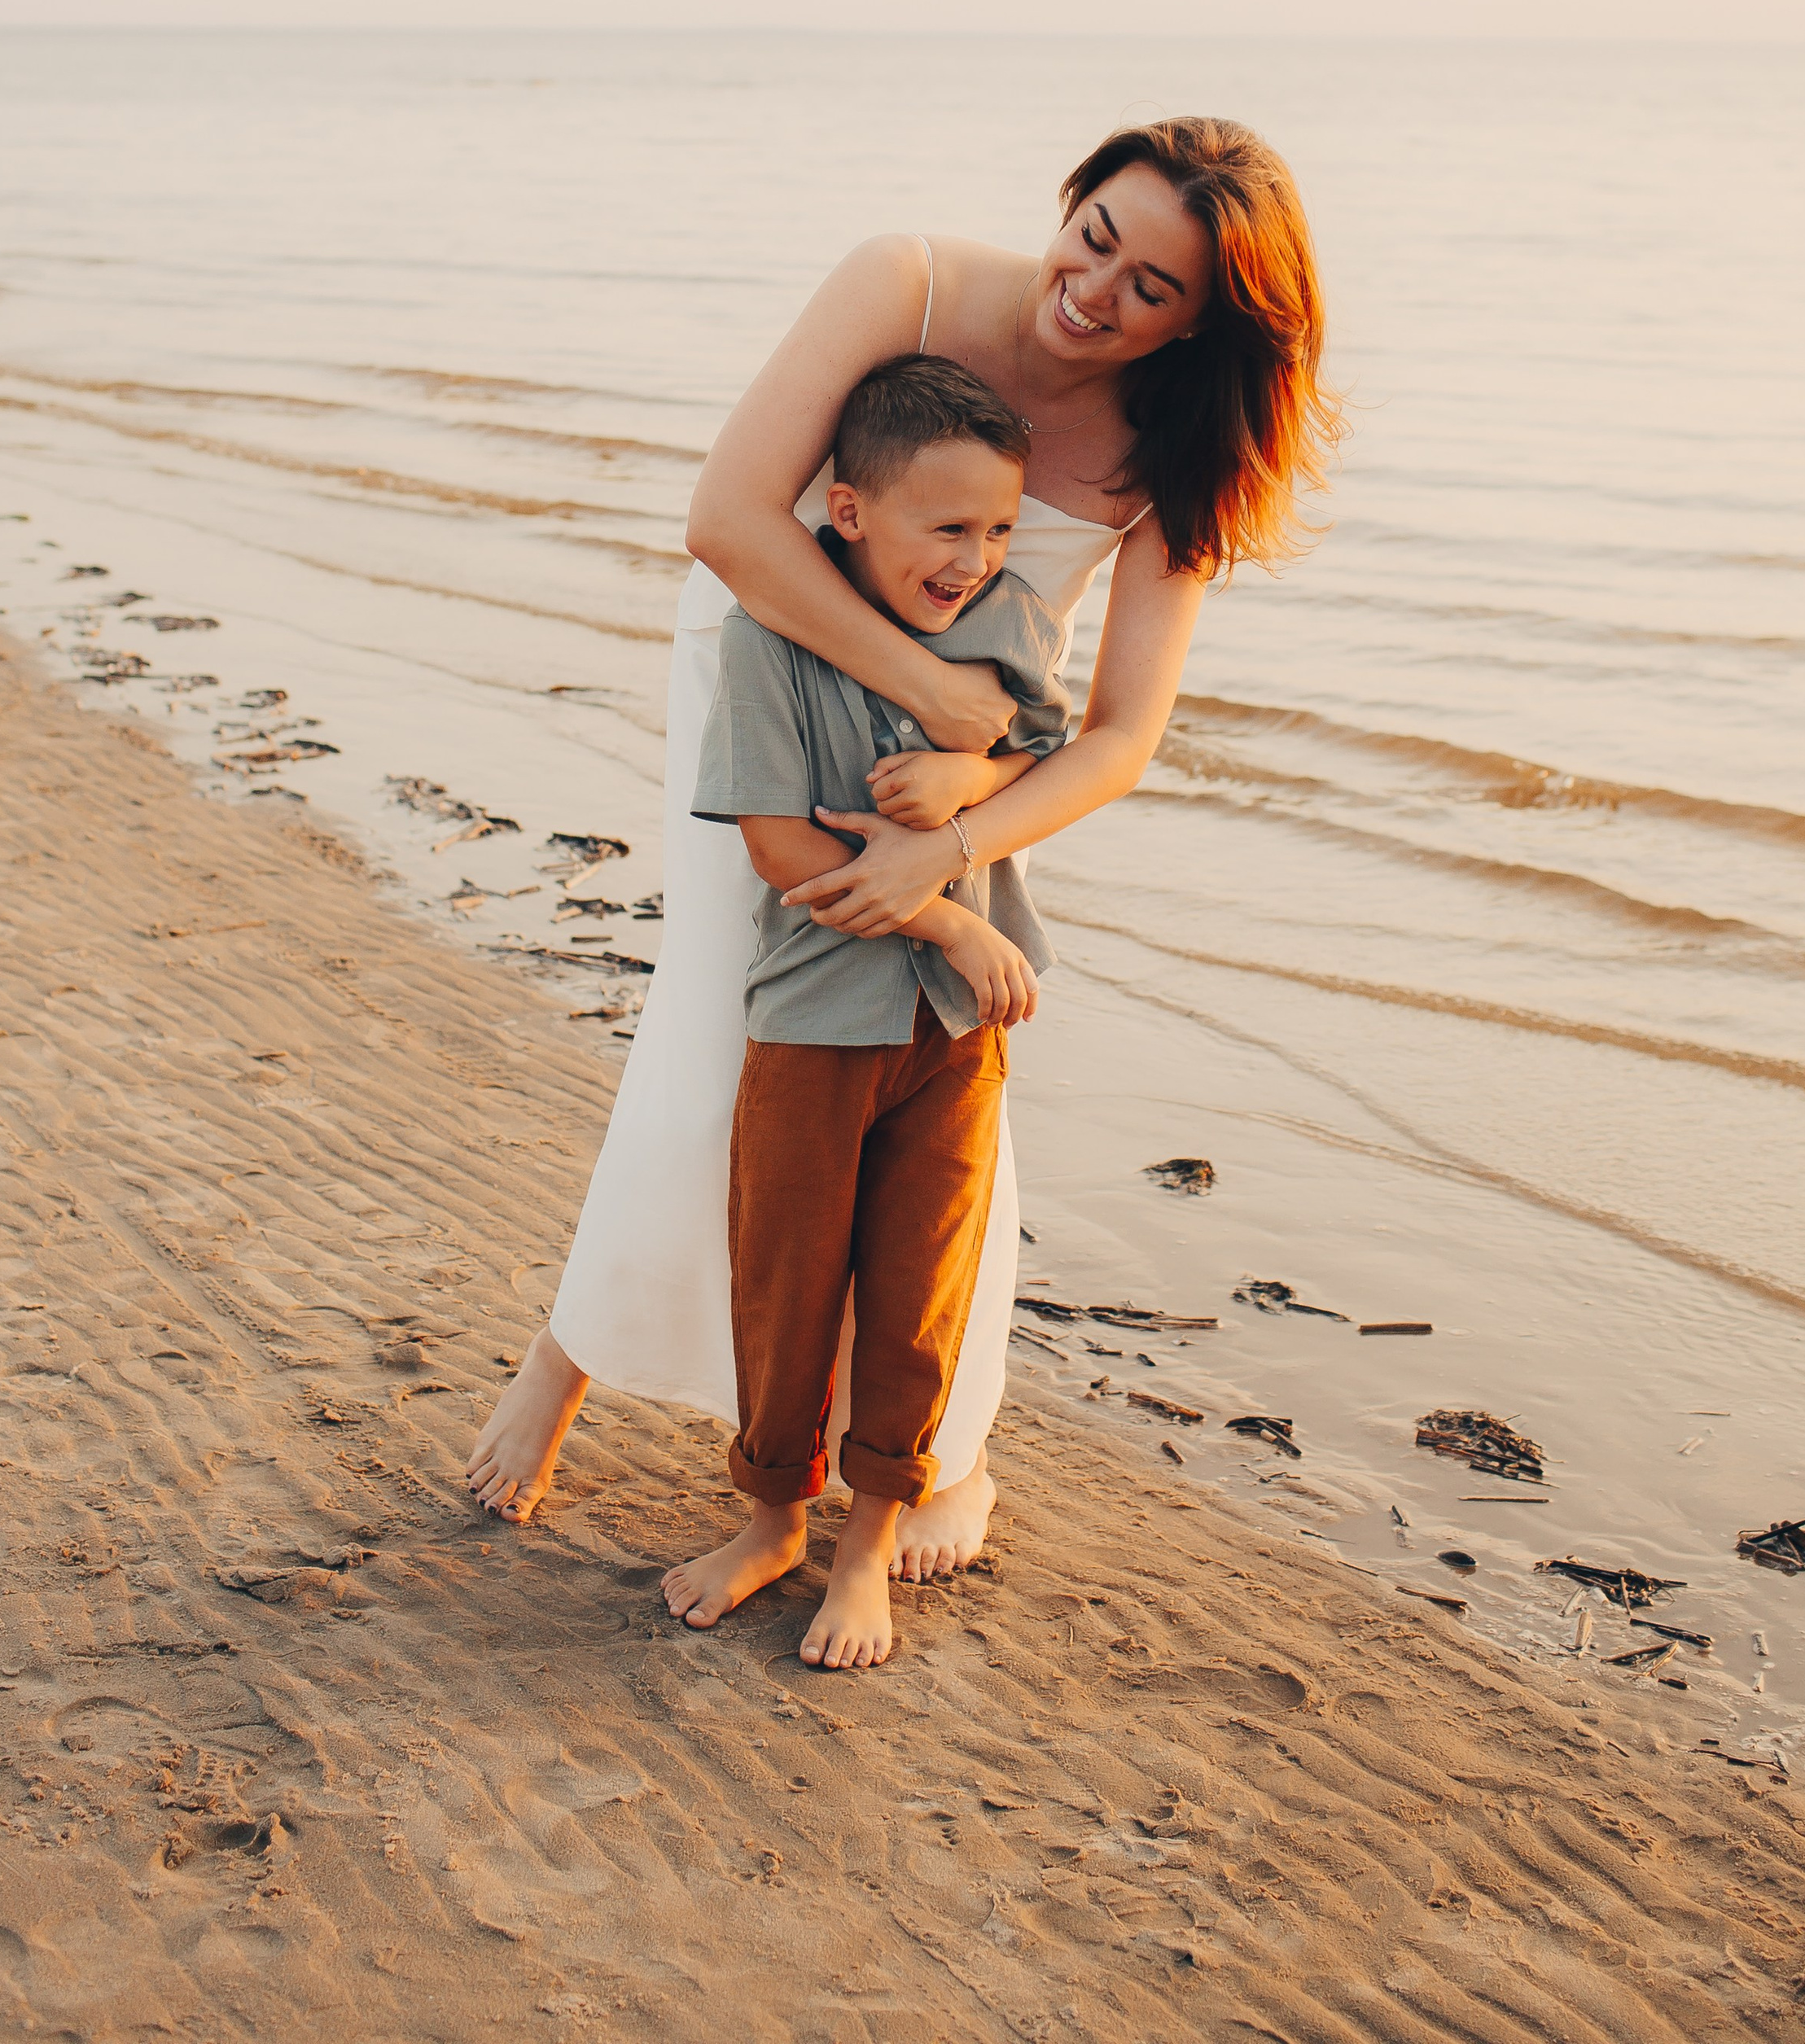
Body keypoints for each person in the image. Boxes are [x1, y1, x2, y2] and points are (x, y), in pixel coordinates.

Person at [466, 116, 1338, 1570]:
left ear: (1206, 323)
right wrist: (932, 685)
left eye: (1151, 289)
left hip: (957, 777)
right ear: (1071, 204)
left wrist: (964, 829)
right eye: (1097, 236)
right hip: (773, 679)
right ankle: (573, 1351)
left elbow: (1122, 735)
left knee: (929, 1077)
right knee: (713, 1026)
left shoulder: (1176, 452)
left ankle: (937, 1440)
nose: (1096, 288)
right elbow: (731, 521)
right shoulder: (910, 284)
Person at [662, 353, 1071, 1666]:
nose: (975, 557)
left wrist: (969, 769)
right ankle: (772, 1520)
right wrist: (949, 916)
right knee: (786, 1284)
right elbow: (782, 850)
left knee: (918, 1292)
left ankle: (867, 1554)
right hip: (814, 1018)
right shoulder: (765, 637)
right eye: (947, 527)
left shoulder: (1009, 623)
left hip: (958, 1037)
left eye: (999, 528)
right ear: (849, 512)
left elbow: (1038, 761)